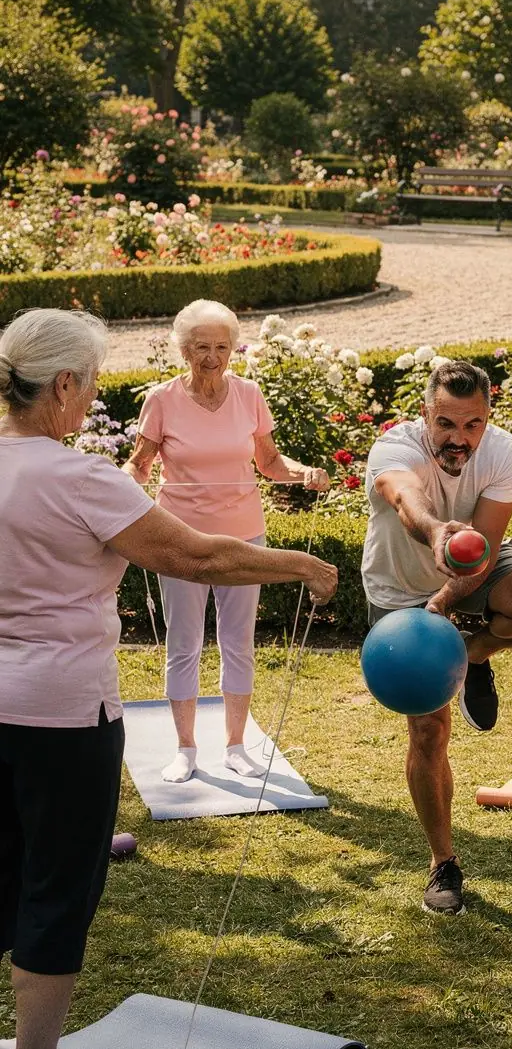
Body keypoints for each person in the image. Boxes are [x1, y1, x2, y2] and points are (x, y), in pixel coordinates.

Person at [0, 307, 337, 1049]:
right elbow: (197, 553)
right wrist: (300, 562)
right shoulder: (79, 477)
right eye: (90, 385)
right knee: (57, 885)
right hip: (63, 712)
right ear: (65, 384)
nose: (92, 402)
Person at [362, 359, 512, 916]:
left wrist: (447, 598)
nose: (459, 438)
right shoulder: (395, 448)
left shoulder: (499, 453)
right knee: (429, 729)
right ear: (426, 413)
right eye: (447, 424)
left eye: (472, 425)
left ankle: (472, 656)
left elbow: (490, 541)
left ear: (488, 417)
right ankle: (442, 863)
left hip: (472, 570)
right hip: (400, 586)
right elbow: (405, 497)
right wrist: (436, 532)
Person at [124, 299, 329, 783]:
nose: (212, 356)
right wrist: (127, 479)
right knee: (184, 643)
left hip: (243, 535)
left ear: (233, 349)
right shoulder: (161, 399)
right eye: (201, 347)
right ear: (184, 350)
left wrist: (306, 473)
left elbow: (272, 464)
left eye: (221, 346)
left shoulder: (249, 394)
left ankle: (236, 746)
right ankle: (186, 749)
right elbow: (140, 463)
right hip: (180, 539)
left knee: (239, 642)